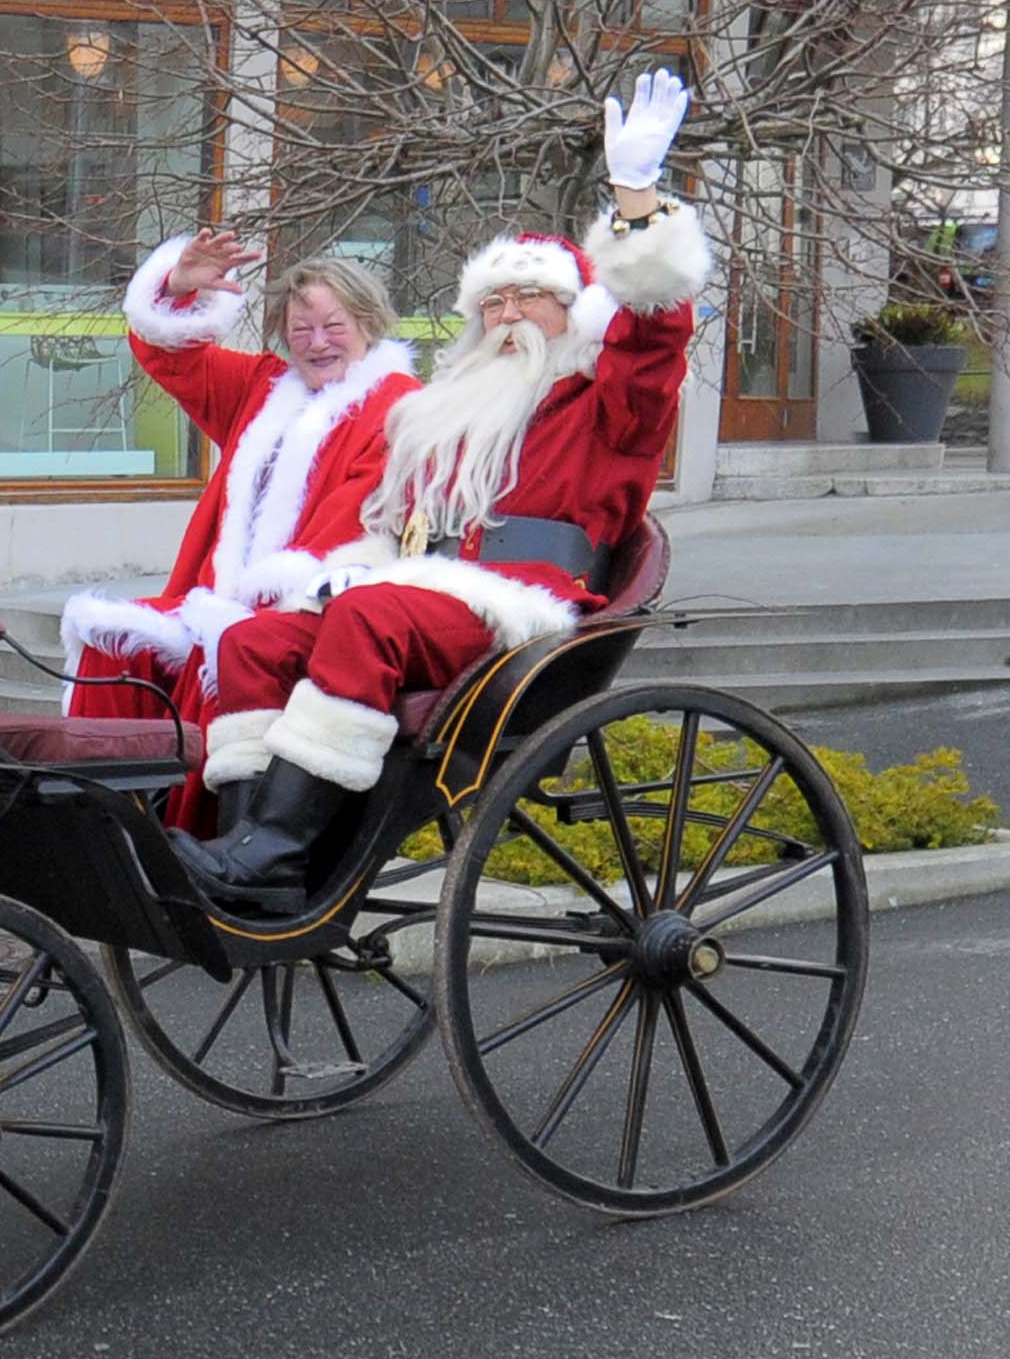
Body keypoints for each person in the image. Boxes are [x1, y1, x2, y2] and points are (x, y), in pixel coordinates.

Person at [178, 72, 712, 903]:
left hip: (522, 610)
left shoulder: (607, 406)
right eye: (492, 301)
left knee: (368, 616)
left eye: (530, 298)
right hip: (418, 588)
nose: (507, 315)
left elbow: (656, 335)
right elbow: (394, 533)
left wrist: (635, 196)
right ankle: (248, 849)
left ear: (577, 314)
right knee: (255, 641)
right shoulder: (439, 417)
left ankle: (277, 849)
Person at [60, 233, 420, 801]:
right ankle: (93, 816)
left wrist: (250, 603)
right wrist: (177, 288)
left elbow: (353, 526)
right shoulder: (265, 386)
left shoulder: (397, 404)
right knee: (110, 643)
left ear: (369, 324)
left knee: (222, 645)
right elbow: (171, 356)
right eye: (301, 330)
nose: (317, 343)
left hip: (311, 610)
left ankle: (185, 835)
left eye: (335, 327)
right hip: (223, 598)